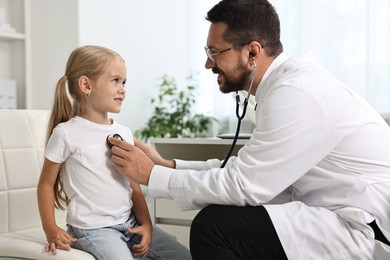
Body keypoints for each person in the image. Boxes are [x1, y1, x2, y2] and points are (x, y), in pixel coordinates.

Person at [108, 0, 390, 259]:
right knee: (227, 220)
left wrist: (151, 175)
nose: (208, 63)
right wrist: (168, 165)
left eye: (214, 52)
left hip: (365, 224)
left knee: (214, 227)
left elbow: (245, 184)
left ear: (252, 52)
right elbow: (249, 171)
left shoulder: (295, 94)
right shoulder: (286, 89)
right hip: (339, 211)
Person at [37, 45, 191, 260]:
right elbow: (45, 184)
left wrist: (146, 224)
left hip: (130, 223)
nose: (123, 89)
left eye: (124, 82)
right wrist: (50, 228)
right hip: (94, 229)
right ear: (85, 85)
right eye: (115, 81)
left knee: (183, 256)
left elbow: (134, 185)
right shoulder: (66, 134)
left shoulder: (123, 132)